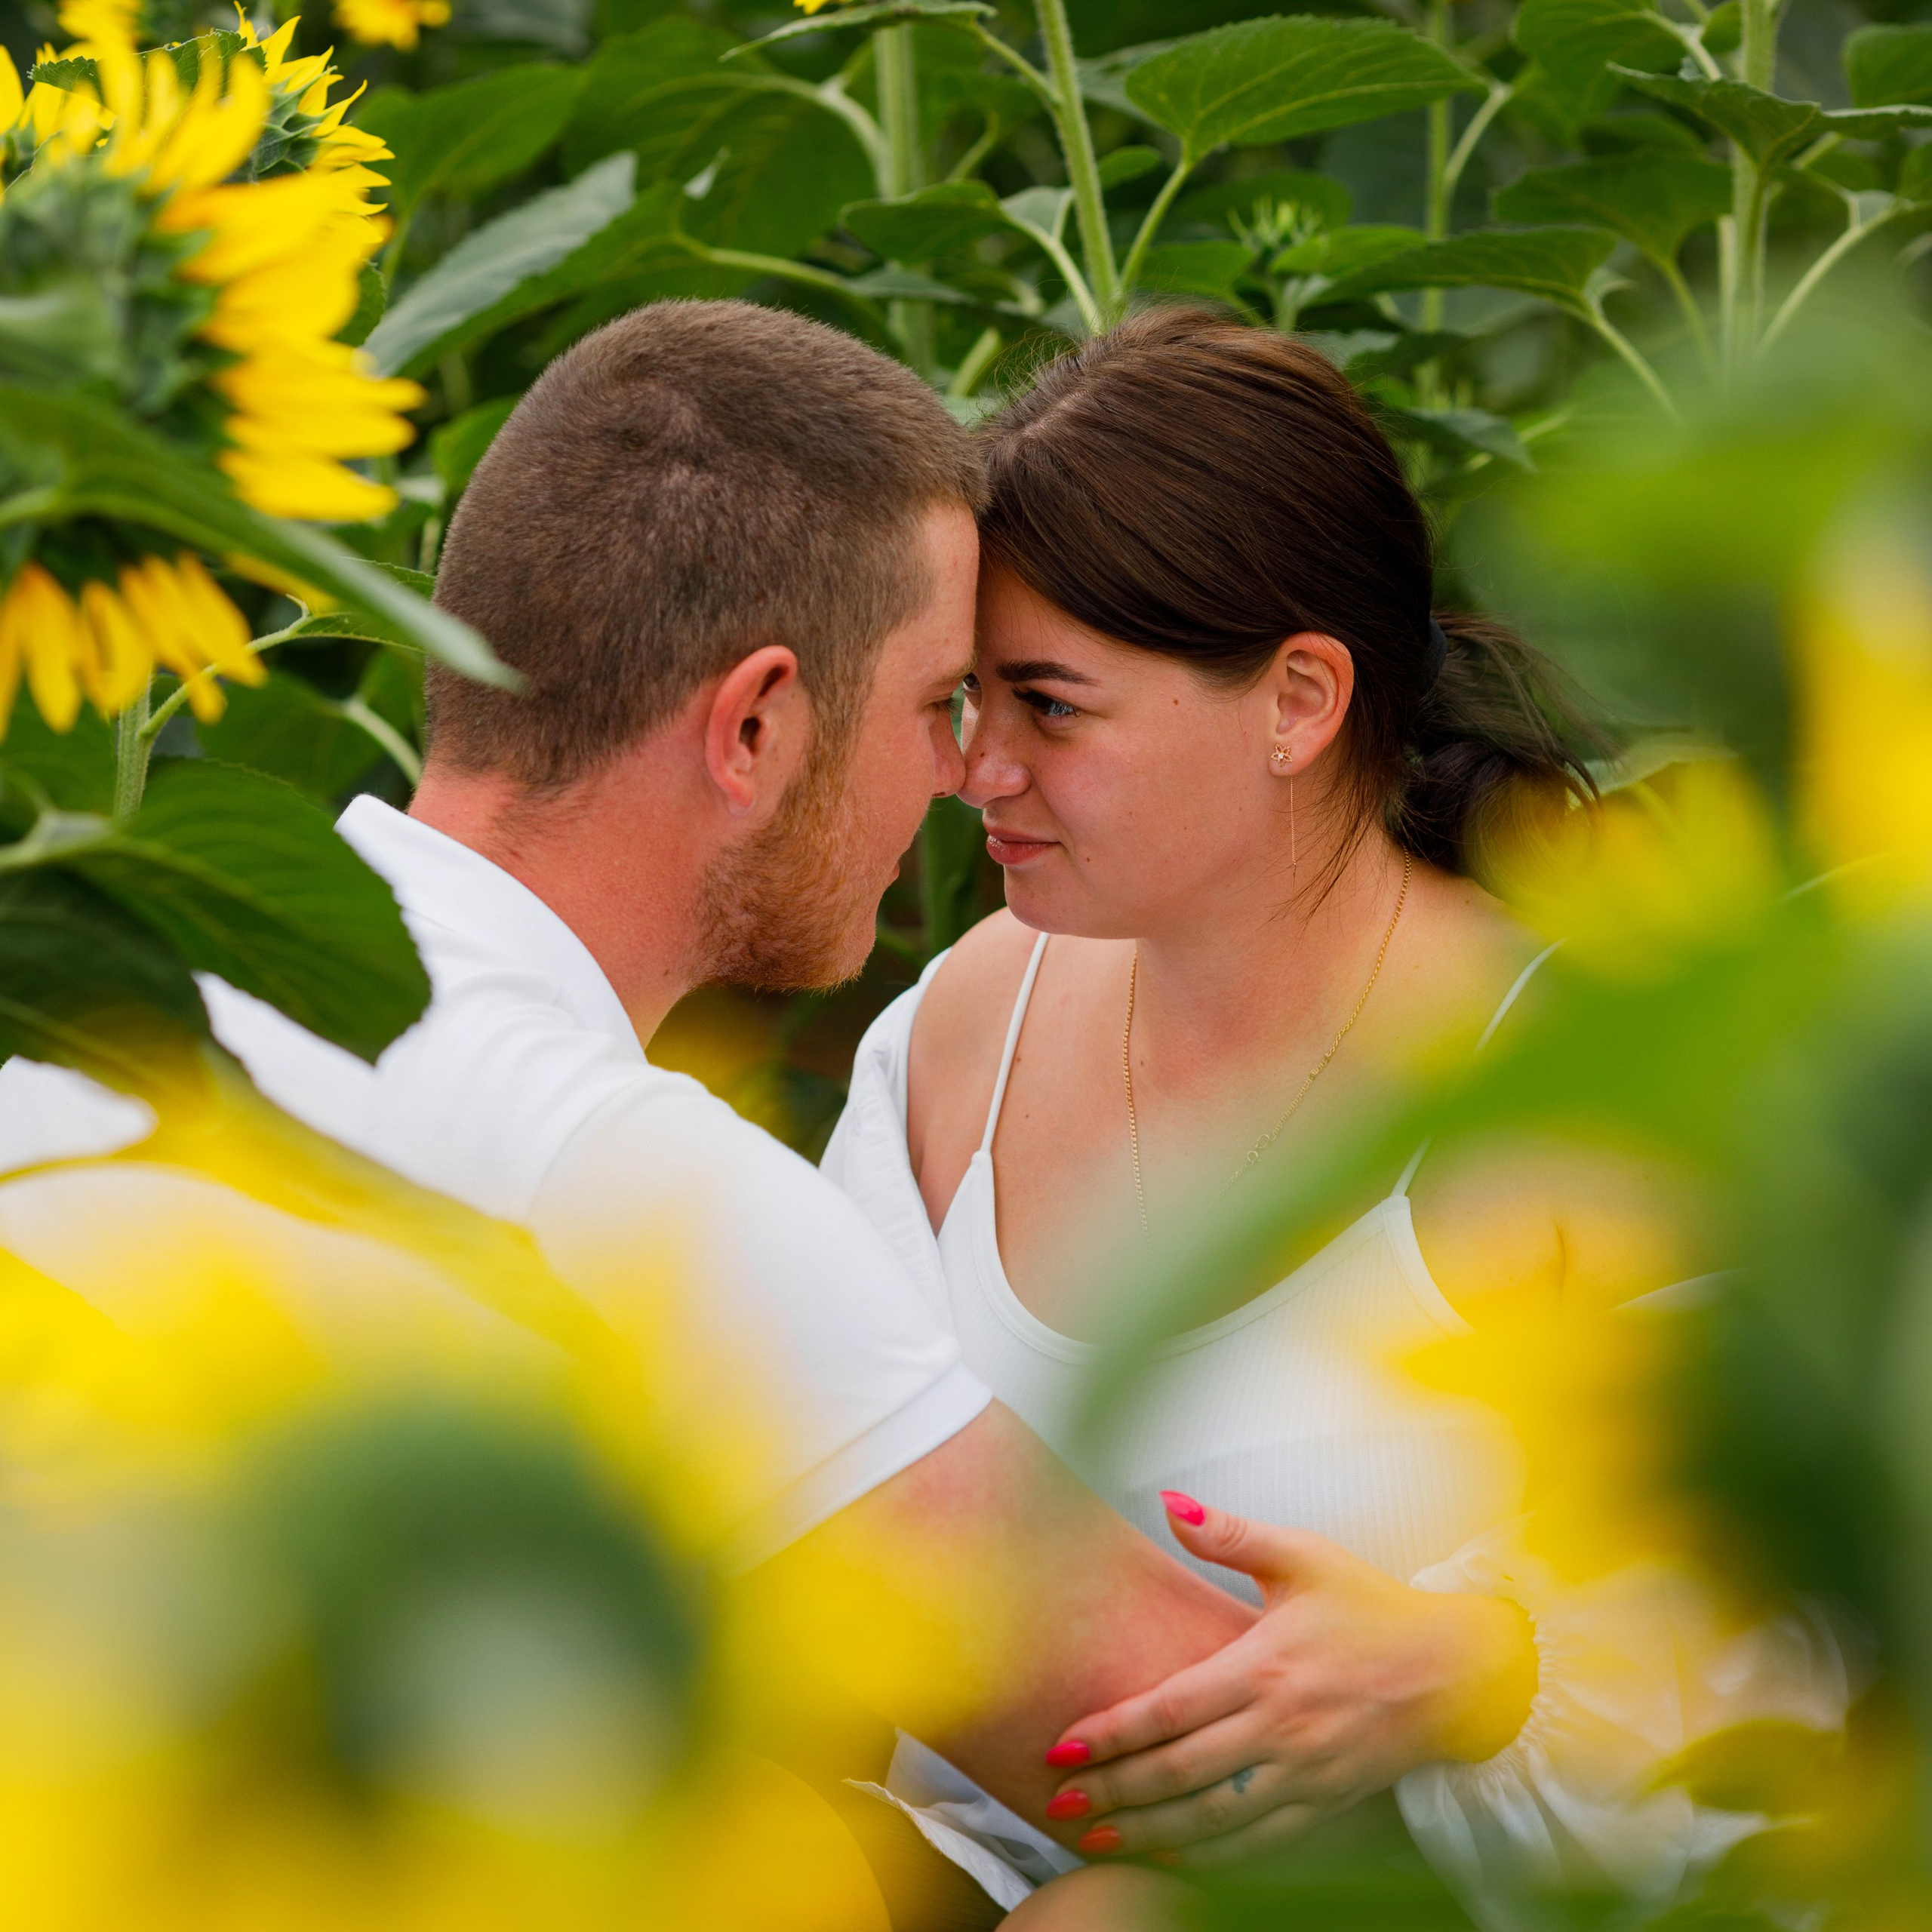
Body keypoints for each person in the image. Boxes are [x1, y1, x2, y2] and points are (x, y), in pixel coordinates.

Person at [0, 301, 1284, 1894]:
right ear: (752, 724)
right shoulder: (620, 1181)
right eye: (934, 702)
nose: (962, 772)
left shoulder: (95, 992)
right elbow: (1214, 1763)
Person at [823, 310, 1847, 1926]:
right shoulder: (967, 1025)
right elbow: (823, 1490)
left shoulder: (1582, 1080)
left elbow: (1808, 1637)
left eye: (1049, 706)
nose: (979, 772)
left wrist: (1486, 1666)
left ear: (1296, 698)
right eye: (967, 700)